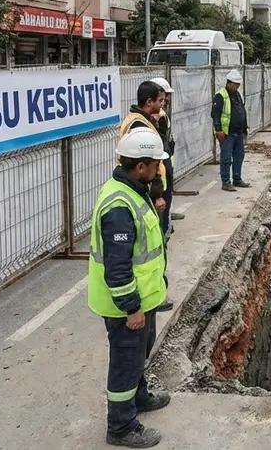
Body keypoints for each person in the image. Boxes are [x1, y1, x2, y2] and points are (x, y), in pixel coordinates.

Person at [88, 129, 172, 448]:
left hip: (144, 299)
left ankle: (139, 397)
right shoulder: (119, 206)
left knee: (139, 352)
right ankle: (121, 426)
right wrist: (132, 308)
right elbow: (119, 267)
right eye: (155, 165)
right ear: (141, 166)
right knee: (125, 361)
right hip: (126, 305)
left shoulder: (133, 190)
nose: (158, 170)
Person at [119, 81, 173, 312]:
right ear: (148, 101)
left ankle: (155, 291)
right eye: (159, 100)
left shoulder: (143, 120)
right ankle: (154, 295)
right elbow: (149, 163)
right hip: (148, 193)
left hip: (146, 190)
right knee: (151, 246)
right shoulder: (138, 125)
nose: (163, 105)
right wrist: (157, 194)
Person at [150, 77, 184, 225]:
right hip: (161, 166)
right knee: (163, 195)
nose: (168, 99)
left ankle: (167, 222)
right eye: (166, 95)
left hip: (166, 163)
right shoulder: (157, 117)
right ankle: (164, 226)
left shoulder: (162, 115)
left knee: (167, 194)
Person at [211, 69, 249, 192]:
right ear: (229, 83)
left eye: (238, 85)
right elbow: (215, 114)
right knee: (226, 158)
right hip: (227, 133)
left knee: (239, 156)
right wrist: (218, 130)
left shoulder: (237, 95)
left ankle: (237, 179)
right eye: (235, 85)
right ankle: (226, 181)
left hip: (238, 132)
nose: (237, 87)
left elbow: (242, 111)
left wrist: (244, 129)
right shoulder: (220, 96)